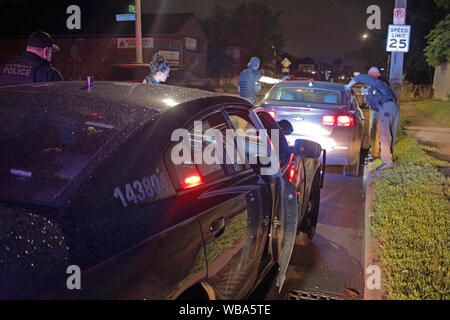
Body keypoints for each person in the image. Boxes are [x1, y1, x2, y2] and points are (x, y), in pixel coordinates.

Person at [346, 67, 400, 171]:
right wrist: (367, 94)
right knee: (391, 134)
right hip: (393, 108)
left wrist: (348, 86)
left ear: (373, 75)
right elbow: (374, 106)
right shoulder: (380, 86)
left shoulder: (378, 82)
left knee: (385, 135)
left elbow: (360, 77)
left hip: (386, 108)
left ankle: (387, 162)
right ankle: (389, 158)